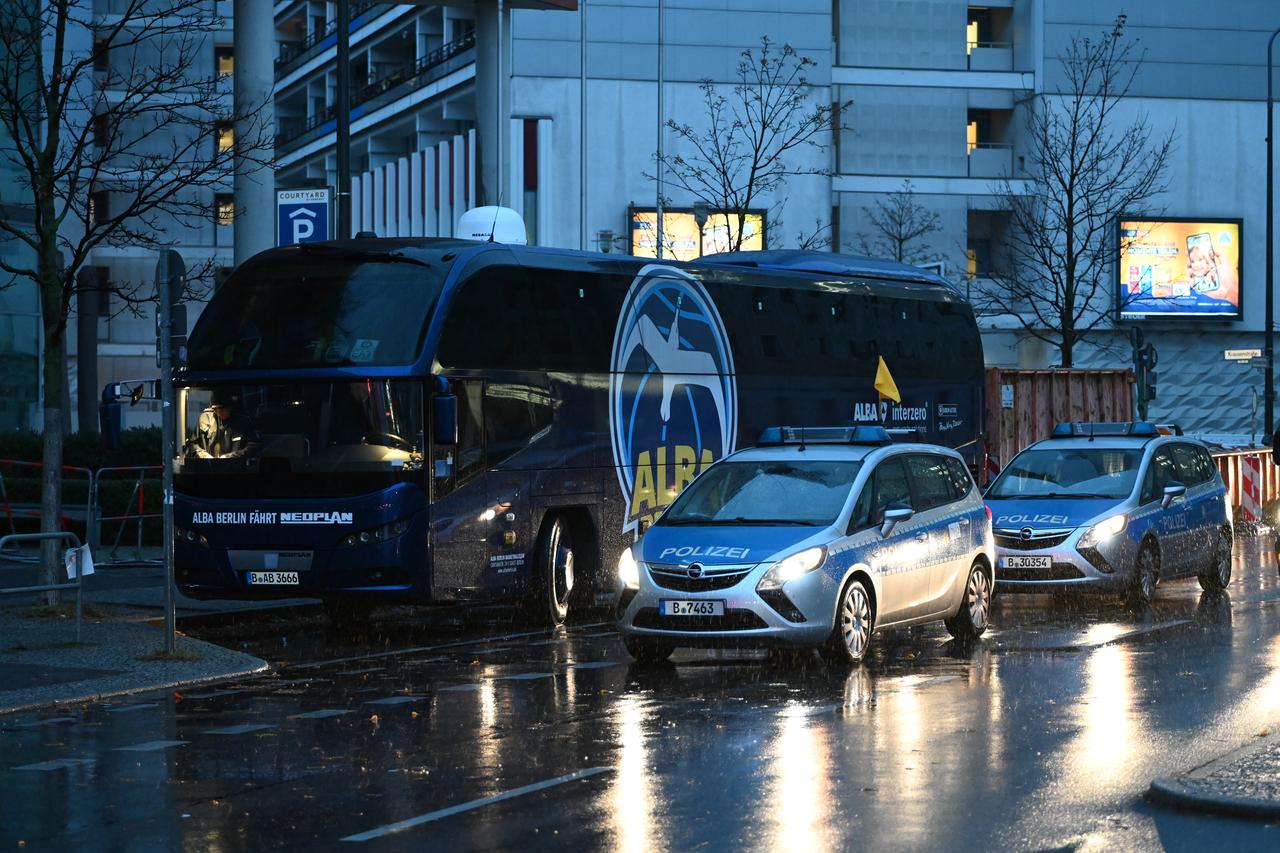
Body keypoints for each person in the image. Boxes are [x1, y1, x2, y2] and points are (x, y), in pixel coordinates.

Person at [191, 388, 259, 458]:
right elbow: (193, 444)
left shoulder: (243, 422)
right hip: (209, 466)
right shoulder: (205, 419)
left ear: (230, 407)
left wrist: (233, 456)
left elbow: (254, 445)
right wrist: (202, 454)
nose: (219, 412)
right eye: (215, 409)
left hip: (235, 466)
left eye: (222, 408)